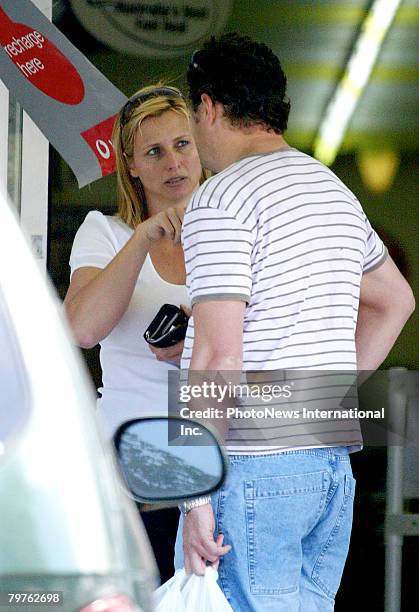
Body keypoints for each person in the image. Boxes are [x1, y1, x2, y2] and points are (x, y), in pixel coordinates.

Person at [173, 34, 415, 611]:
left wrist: (192, 493)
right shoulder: (332, 191)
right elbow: (395, 300)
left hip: (255, 470)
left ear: (208, 107)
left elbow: (217, 358)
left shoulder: (222, 199)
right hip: (329, 466)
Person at [64, 84, 203, 582]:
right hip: (133, 481)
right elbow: (81, 329)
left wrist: (197, 346)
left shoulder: (237, 234)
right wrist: (144, 236)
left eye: (183, 144)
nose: (173, 162)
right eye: (154, 151)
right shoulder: (105, 232)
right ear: (132, 164)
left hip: (217, 474)